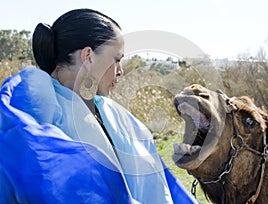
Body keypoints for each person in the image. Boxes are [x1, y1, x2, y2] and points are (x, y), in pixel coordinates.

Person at [0, 8, 198, 204]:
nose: (120, 71)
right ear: (88, 55)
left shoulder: (110, 112)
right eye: (117, 60)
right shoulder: (36, 104)